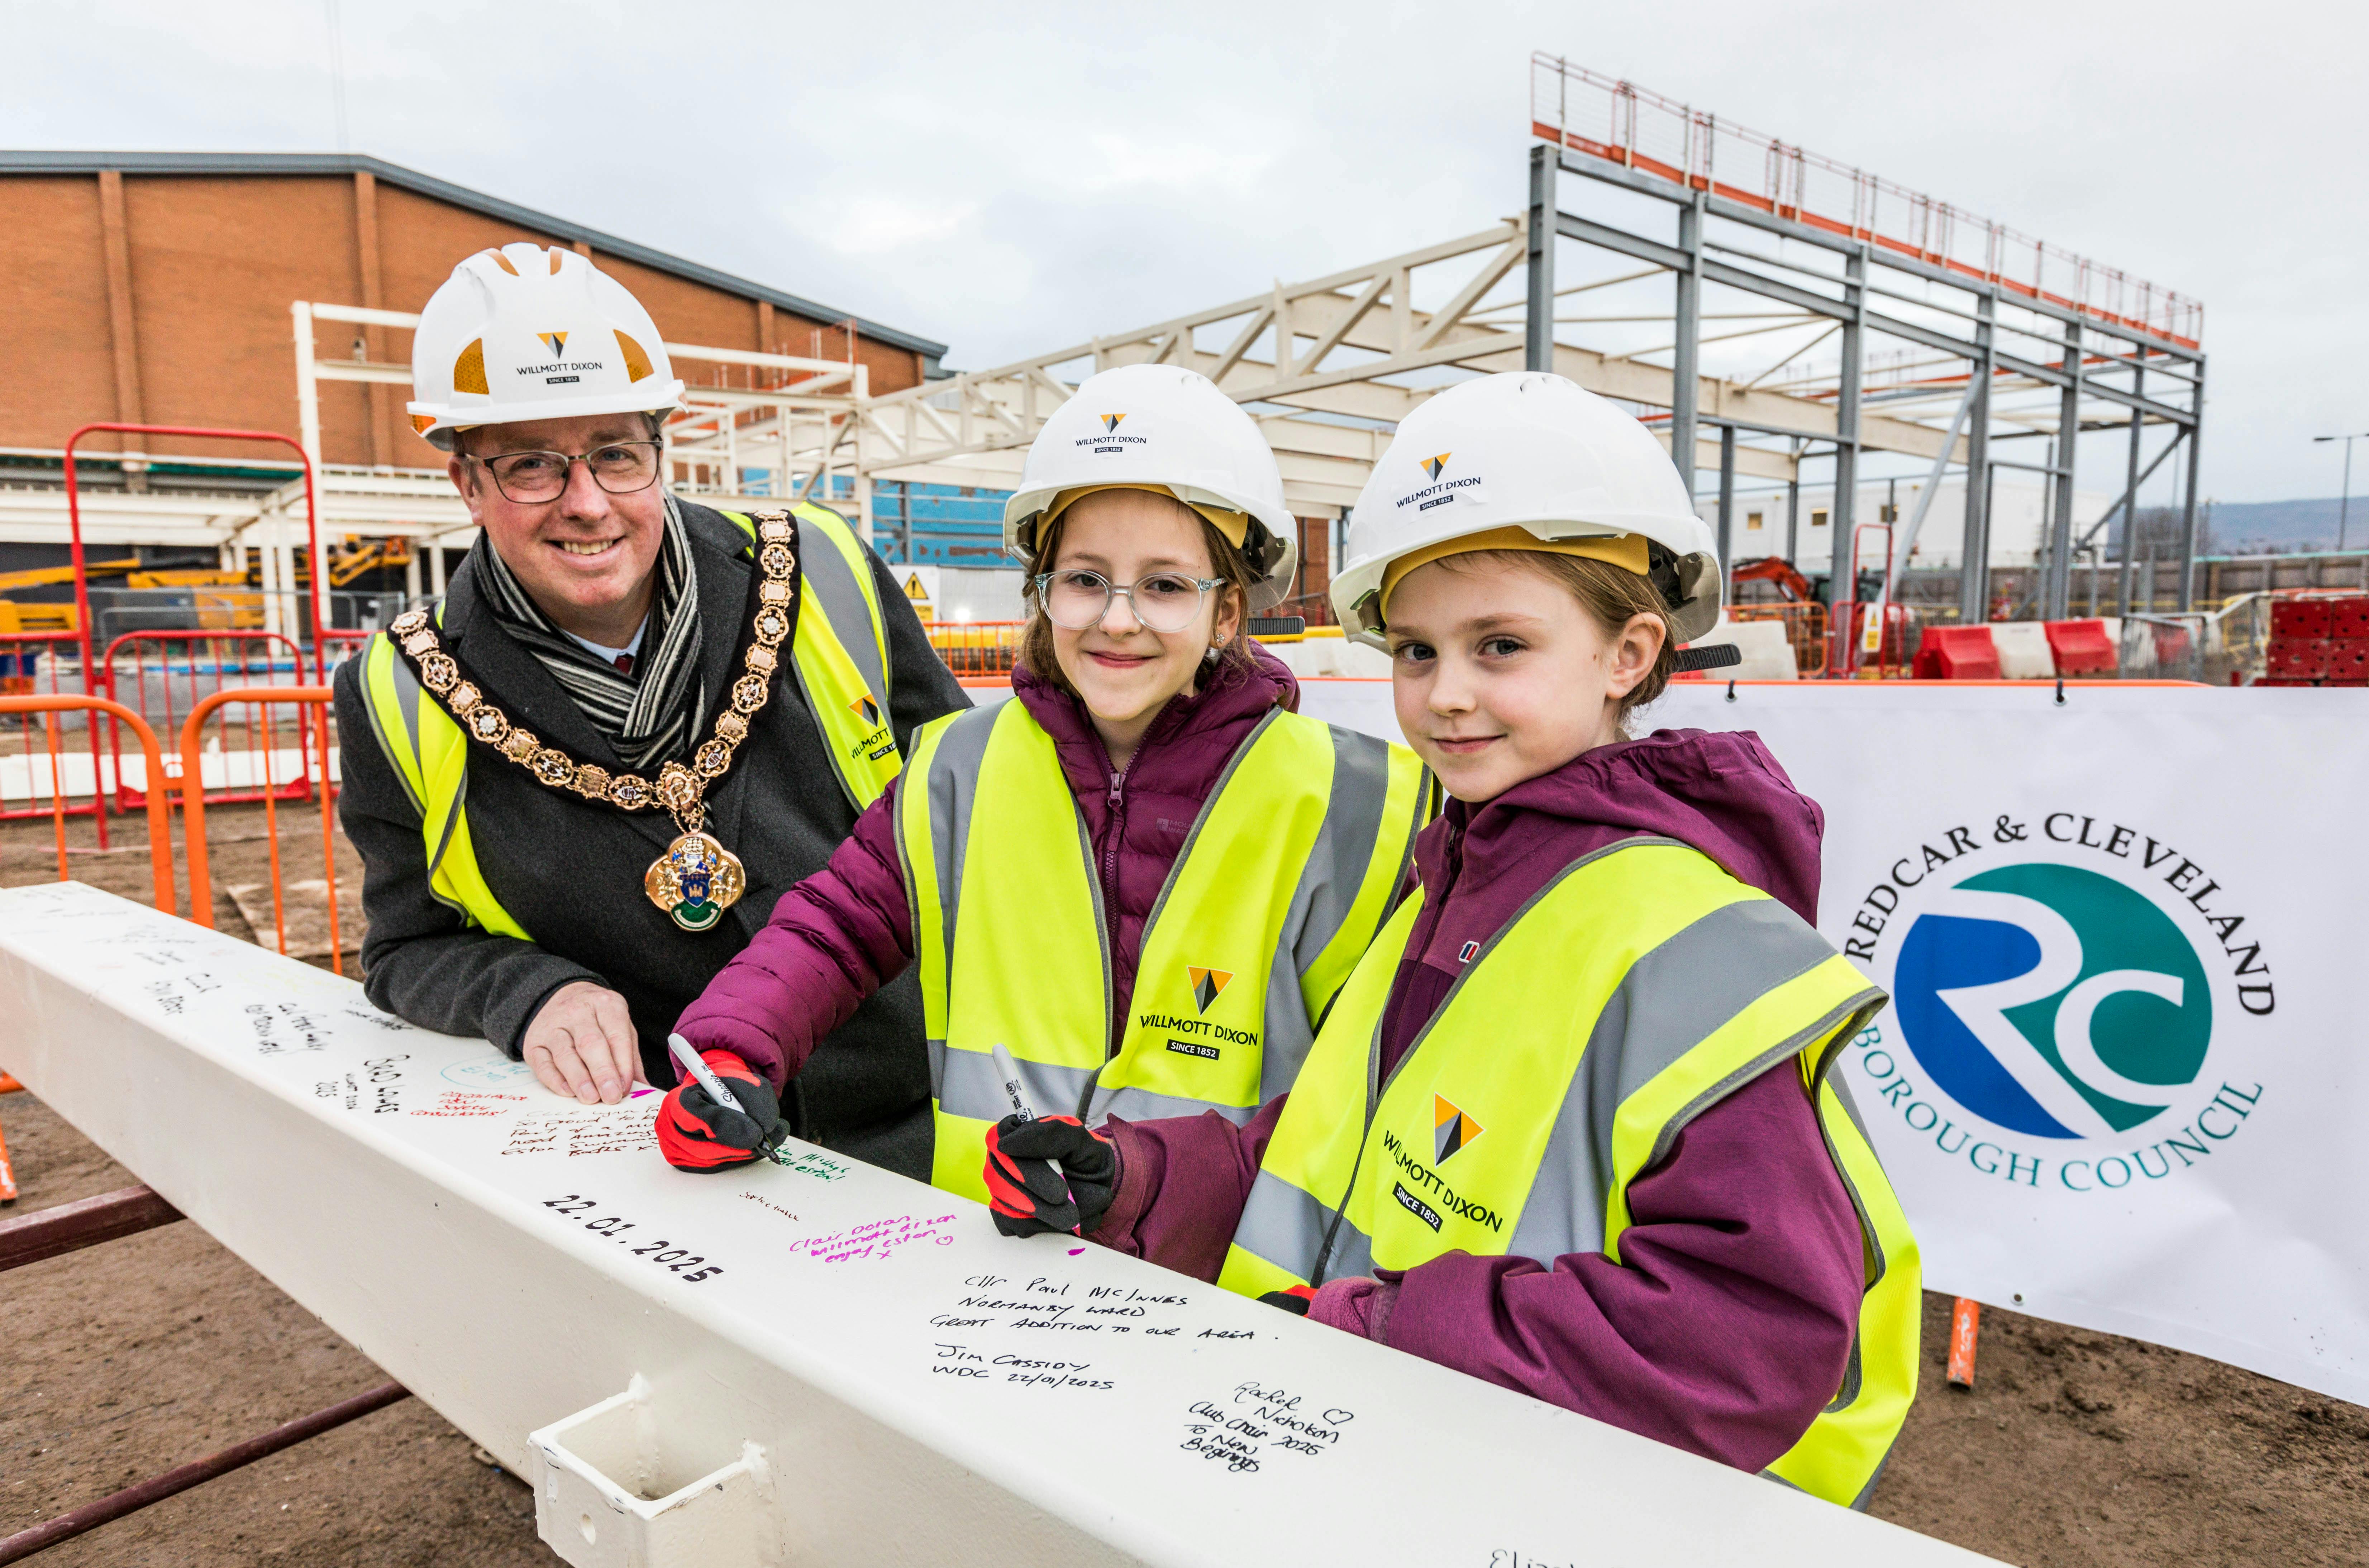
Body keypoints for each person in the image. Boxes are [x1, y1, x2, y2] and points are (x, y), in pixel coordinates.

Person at [981, 373, 1920, 1508]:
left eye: (1501, 646)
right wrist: (1138, 1179)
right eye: (1418, 653)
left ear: (1628, 654)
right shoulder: (1466, 880)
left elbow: (1747, 1330)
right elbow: (1350, 1142)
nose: (1446, 696)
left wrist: (1375, 1330)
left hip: (1555, 1508)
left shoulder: (1681, 938)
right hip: (1406, 1468)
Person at [658, 364, 1432, 1192]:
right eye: (1085, 579)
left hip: (1229, 1278)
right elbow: (833, 929)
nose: (1118, 618)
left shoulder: (1362, 807)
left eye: (1166, 586)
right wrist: (735, 1050)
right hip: (993, 1253)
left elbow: (1370, 1080)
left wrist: (1151, 1183)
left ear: (1228, 612)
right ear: (1043, 592)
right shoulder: (957, 768)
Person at [334, 243, 966, 1180]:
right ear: (466, 482)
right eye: (531, 467)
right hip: (672, 1167)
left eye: (616, 455)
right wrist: (525, 991)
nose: (587, 503)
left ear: (660, 453)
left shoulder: (826, 576)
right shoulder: (397, 691)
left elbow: (980, 823)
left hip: (932, 1128)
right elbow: (405, 948)